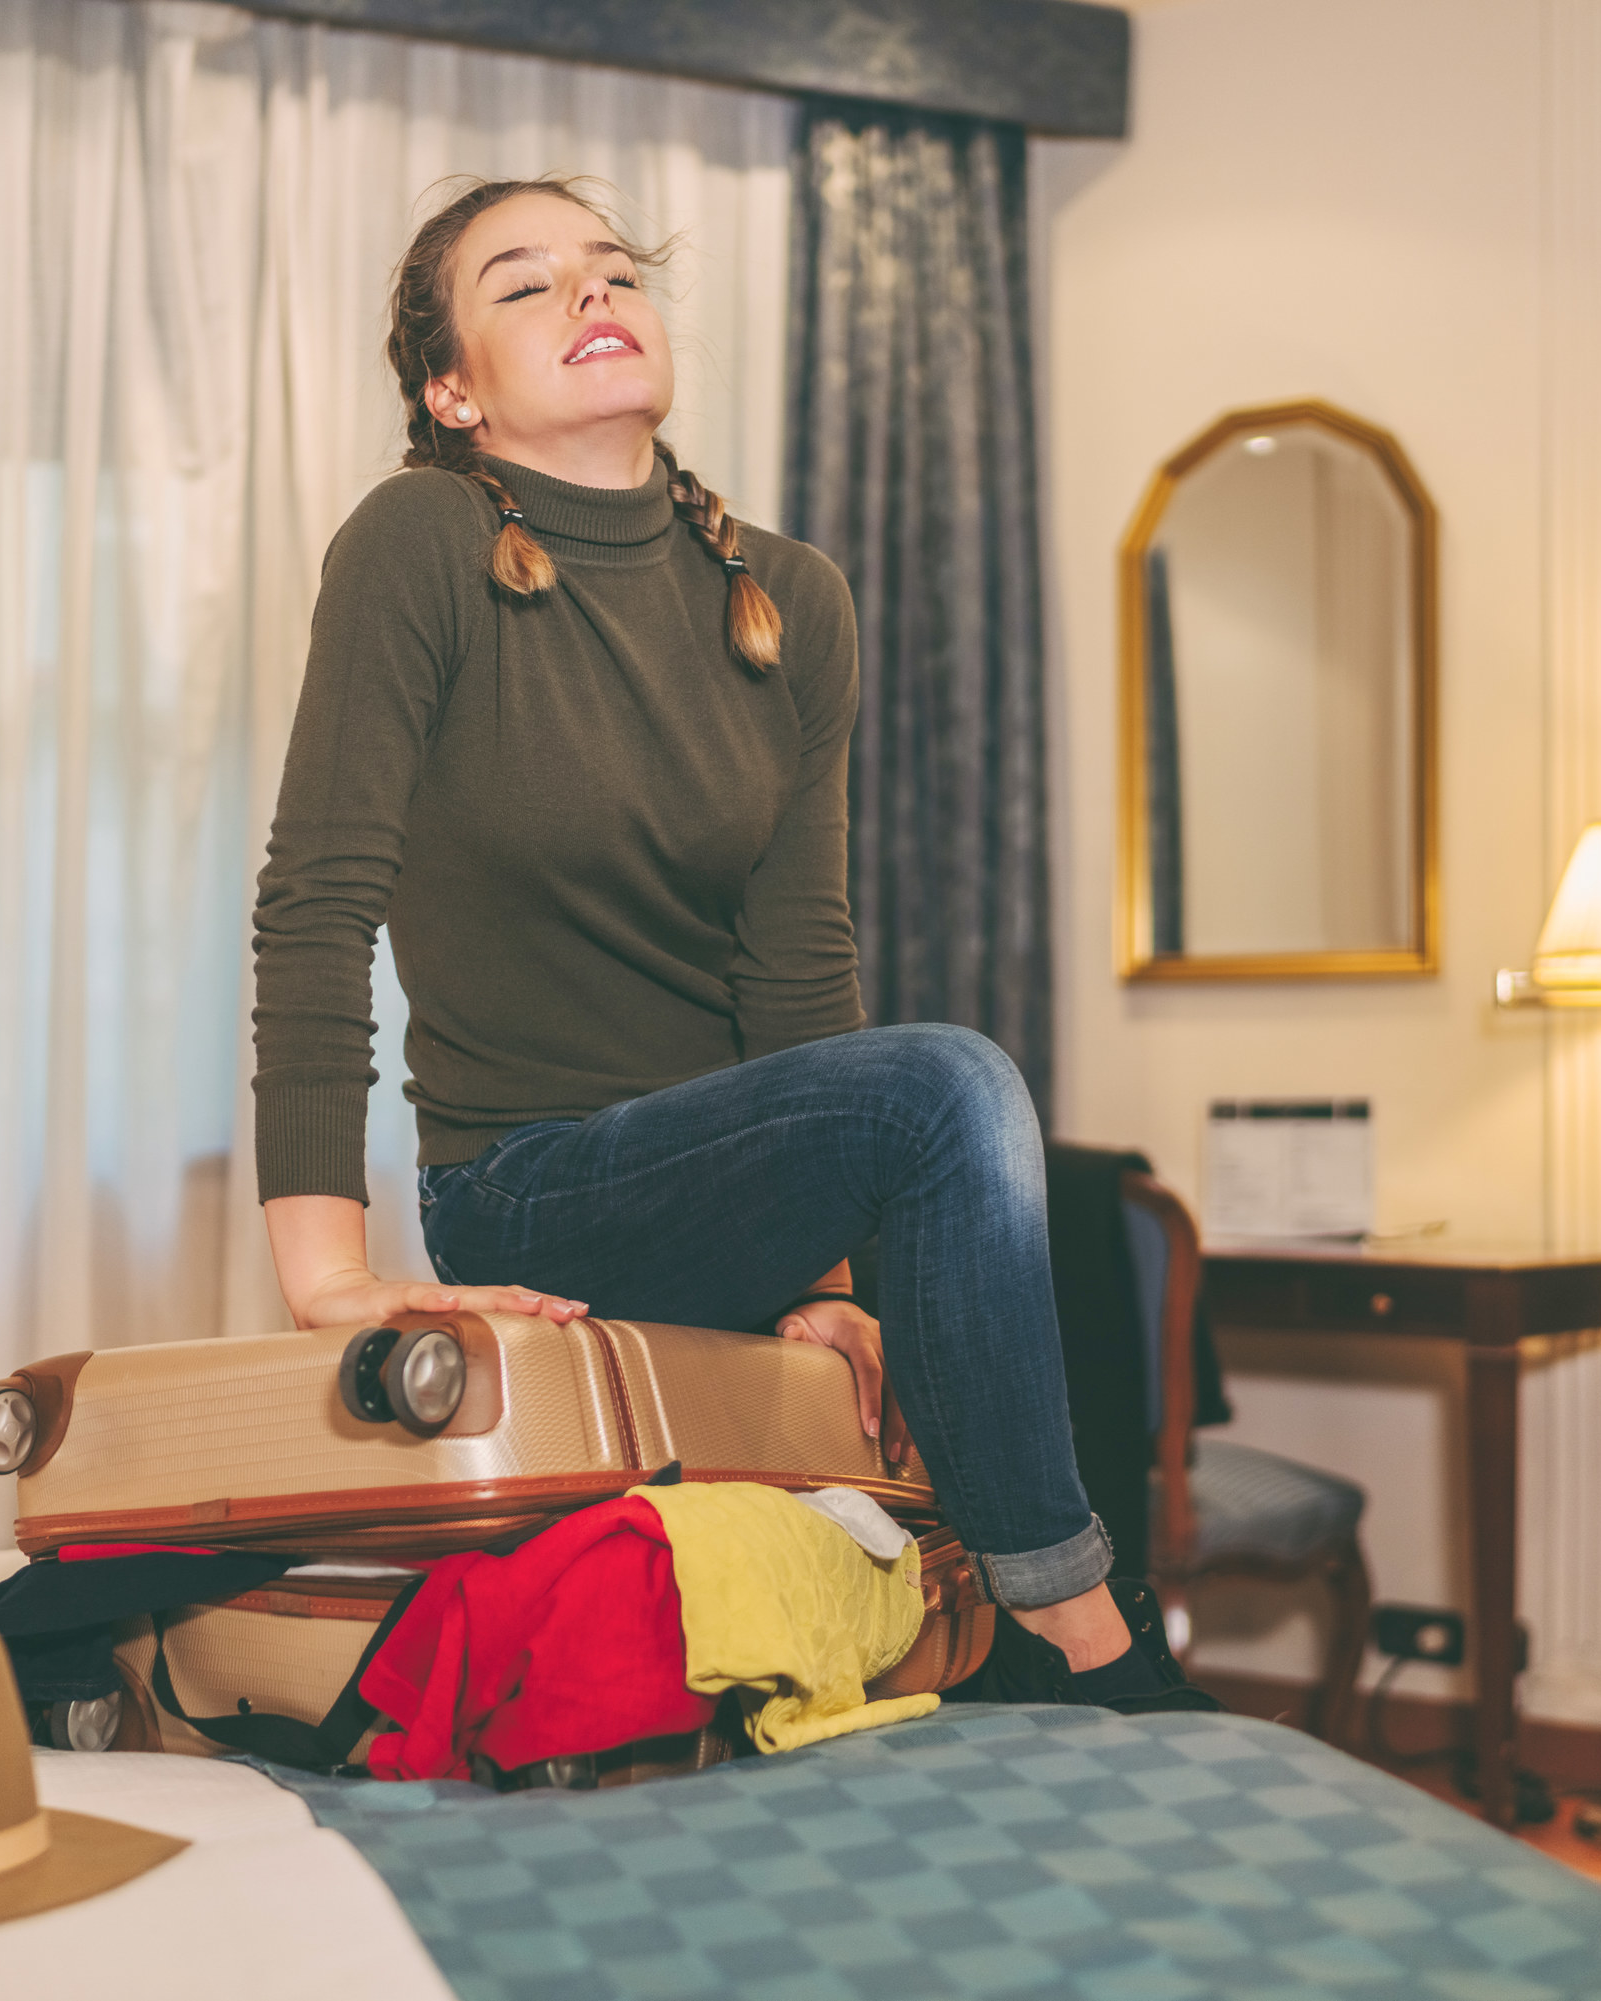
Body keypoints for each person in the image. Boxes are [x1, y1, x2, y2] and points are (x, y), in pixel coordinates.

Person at [251, 176, 1209, 1712]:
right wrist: (332, 1281)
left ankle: (1035, 1627)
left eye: (611, 267)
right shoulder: (414, 542)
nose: (588, 294)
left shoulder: (790, 598)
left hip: (722, 1200)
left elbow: (797, 973)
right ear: (452, 390)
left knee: (940, 1095)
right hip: (529, 1189)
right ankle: (1085, 1634)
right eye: (523, 284)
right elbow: (315, 902)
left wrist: (813, 1278)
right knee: (953, 1084)